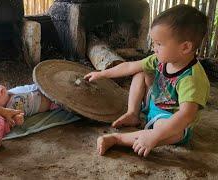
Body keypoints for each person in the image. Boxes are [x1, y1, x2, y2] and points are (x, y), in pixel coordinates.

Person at [84, 4, 209, 157]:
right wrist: (102, 74)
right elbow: (129, 66)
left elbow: (186, 116)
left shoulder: (191, 78)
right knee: (140, 72)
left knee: (174, 134)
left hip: (170, 117)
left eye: (159, 44)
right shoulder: (160, 59)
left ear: (185, 47)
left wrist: (155, 136)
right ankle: (133, 114)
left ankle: (118, 139)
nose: (154, 48)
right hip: (155, 101)